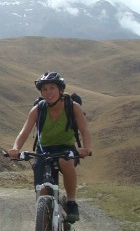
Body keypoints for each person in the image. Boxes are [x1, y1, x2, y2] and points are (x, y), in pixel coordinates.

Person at [7, 72, 92, 222]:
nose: (48, 92)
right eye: (44, 89)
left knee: (65, 162)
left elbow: (84, 130)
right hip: (44, 149)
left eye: (52, 88)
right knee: (42, 190)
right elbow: (24, 131)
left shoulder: (72, 107)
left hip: (66, 147)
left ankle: (71, 202)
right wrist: (15, 148)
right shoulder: (38, 109)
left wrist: (86, 148)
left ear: (60, 90)